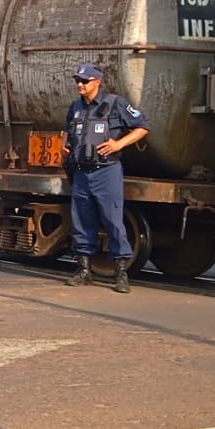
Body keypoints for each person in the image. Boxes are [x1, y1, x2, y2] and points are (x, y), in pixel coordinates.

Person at [62, 62, 150, 293]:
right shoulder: (75, 108)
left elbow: (143, 126)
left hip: (106, 171)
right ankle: (83, 271)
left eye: (84, 81)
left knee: (113, 221)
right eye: (77, 81)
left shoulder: (115, 104)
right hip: (81, 173)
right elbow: (68, 132)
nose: (79, 85)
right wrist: (68, 148)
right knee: (82, 222)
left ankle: (121, 273)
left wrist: (119, 143)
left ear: (97, 82)